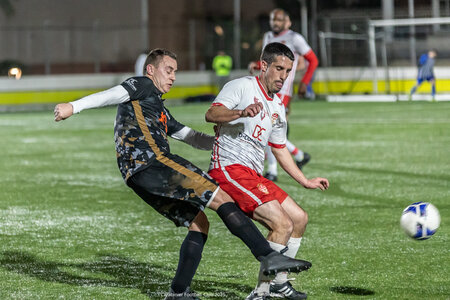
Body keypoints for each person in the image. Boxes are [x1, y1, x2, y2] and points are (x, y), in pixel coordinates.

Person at [54, 48, 311, 300]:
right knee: (220, 196)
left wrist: (223, 141)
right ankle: (267, 254)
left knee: (199, 223)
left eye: (175, 72)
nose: (173, 77)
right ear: (150, 70)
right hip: (154, 163)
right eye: (168, 70)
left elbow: (188, 136)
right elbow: (111, 95)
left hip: (137, 177)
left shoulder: (157, 108)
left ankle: (178, 292)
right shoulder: (141, 85)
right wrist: (73, 107)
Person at [206, 43, 329, 300]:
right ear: (264, 66)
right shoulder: (242, 86)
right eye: (279, 68)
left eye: (288, 70)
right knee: (281, 224)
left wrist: (305, 180)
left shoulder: (278, 107)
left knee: (299, 218)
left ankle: (278, 284)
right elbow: (212, 113)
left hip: (252, 174)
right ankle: (261, 293)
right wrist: (240, 112)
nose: (284, 76)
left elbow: (280, 149)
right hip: (228, 168)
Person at [250, 9, 318, 182]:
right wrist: (257, 65)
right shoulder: (267, 37)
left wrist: (305, 83)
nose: (275, 22)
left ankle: (272, 170)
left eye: (279, 19)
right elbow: (268, 62)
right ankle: (300, 155)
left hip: (284, 90)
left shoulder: (295, 38)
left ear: (287, 21)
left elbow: (313, 60)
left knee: (269, 127)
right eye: (273, 19)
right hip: (266, 87)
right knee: (266, 126)